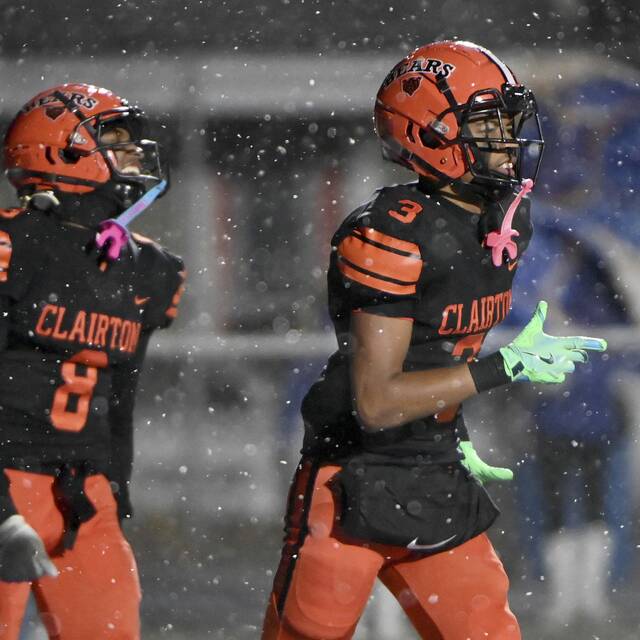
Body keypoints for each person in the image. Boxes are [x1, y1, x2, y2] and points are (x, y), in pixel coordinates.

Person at [261, 40, 607, 640]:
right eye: (486, 123)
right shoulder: (390, 235)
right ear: (430, 134)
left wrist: (454, 429)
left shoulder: (500, 220)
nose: (505, 138)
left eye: (507, 120)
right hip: (352, 479)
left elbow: (441, 349)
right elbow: (377, 400)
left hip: (434, 470)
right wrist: (508, 367)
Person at [0, 83, 185, 639]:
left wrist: (115, 482)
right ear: (63, 149)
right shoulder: (13, 244)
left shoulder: (148, 267)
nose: (134, 156)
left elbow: (123, 387)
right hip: (8, 474)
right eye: (117, 142)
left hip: (83, 490)